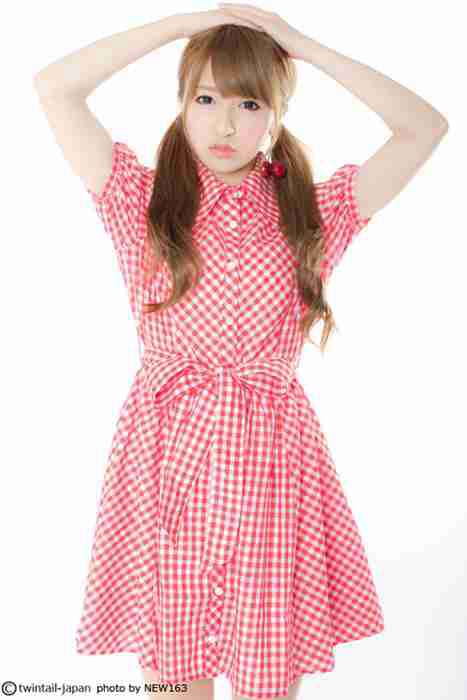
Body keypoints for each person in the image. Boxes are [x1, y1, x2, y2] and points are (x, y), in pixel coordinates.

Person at [33, 6, 449, 700]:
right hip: (166, 456)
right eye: (205, 98)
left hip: (271, 461)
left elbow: (424, 127)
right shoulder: (140, 201)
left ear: (274, 115)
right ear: (181, 104)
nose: (224, 125)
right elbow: (55, 86)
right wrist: (186, 26)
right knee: (175, 680)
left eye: (248, 103)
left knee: (266, 681)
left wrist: (302, 47)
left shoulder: (312, 215)